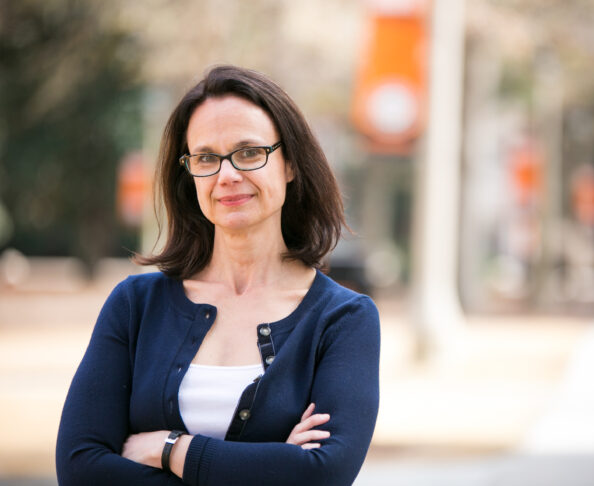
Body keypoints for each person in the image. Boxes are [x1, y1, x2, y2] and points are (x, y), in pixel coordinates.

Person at [56, 65, 380, 486]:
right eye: (207, 157)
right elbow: (80, 468)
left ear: (290, 164)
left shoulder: (343, 320)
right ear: (189, 173)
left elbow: (324, 474)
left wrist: (169, 449)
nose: (227, 175)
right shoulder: (136, 305)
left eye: (249, 152)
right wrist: (271, 465)